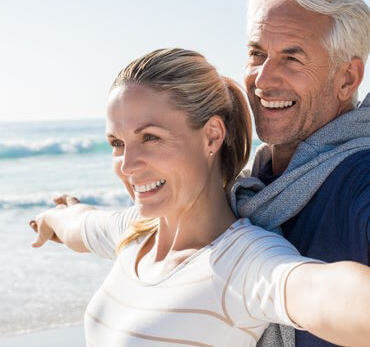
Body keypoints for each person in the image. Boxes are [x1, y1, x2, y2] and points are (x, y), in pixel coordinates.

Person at [30, 48, 370, 347]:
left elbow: (322, 293)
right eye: (117, 144)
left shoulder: (241, 262)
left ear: (211, 137)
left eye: (150, 137)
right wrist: (53, 218)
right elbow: (79, 224)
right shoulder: (135, 232)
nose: (127, 166)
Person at [228, 0, 370, 346]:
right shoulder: (253, 185)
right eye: (257, 53)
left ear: (347, 78)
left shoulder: (360, 179)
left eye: (292, 58)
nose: (263, 79)